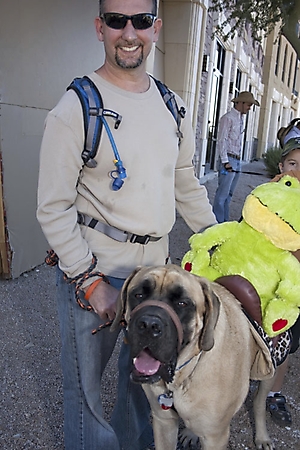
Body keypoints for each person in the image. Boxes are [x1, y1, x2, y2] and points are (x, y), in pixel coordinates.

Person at [36, 1, 216, 449]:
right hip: (95, 272)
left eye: (140, 21)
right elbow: (52, 207)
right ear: (101, 28)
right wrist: (88, 279)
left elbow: (184, 181)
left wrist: (216, 242)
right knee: (87, 399)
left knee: (146, 390)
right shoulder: (76, 106)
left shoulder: (171, 105)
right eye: (117, 21)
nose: (128, 32)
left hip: (155, 279)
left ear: (155, 28)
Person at [266, 136, 300, 425]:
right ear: (281, 165)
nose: (296, 172)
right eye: (292, 163)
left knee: (286, 342)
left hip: (294, 288)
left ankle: (273, 393)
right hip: (263, 281)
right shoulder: (267, 194)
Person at [213, 91, 260, 223]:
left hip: (237, 160)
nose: (249, 108)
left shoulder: (240, 118)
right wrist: (225, 162)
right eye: (248, 105)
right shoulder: (227, 118)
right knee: (222, 195)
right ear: (240, 103)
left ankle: (225, 222)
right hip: (228, 160)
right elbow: (222, 140)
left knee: (229, 195)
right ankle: (217, 224)